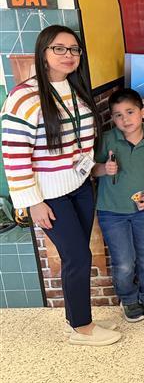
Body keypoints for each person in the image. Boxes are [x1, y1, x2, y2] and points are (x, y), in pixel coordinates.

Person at [1, 26, 121, 346]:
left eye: (74, 50)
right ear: (43, 53)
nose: (69, 56)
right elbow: (14, 154)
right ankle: (81, 328)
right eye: (60, 49)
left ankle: (79, 318)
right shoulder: (23, 97)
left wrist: (92, 168)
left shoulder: (76, 89)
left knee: (77, 256)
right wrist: (32, 201)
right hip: (49, 195)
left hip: (80, 185)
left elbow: (77, 144)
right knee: (78, 256)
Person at [93, 89, 144, 323]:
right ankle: (128, 298)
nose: (125, 119)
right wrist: (104, 169)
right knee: (124, 261)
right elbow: (91, 170)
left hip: (142, 210)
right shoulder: (107, 140)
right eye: (118, 115)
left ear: (143, 112)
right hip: (111, 211)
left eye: (130, 112)